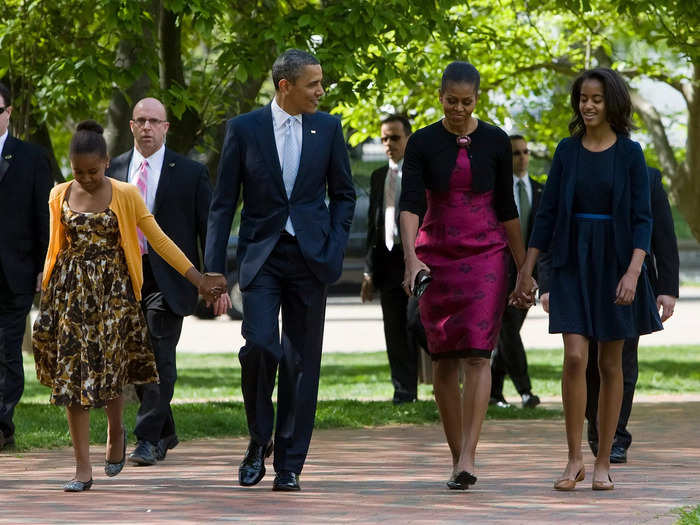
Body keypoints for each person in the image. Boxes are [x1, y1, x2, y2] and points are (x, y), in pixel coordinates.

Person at [32, 121, 225, 492]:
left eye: (93, 170)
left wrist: (198, 279)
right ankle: (81, 468)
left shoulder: (126, 194)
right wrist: (46, 285)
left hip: (114, 298)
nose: (86, 179)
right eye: (78, 171)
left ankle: (116, 431)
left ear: (107, 162)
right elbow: (55, 245)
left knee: (110, 376)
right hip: (71, 296)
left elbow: (160, 240)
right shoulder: (59, 194)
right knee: (74, 382)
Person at [205, 49, 355, 492]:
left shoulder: (327, 128)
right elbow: (223, 203)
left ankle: (289, 465)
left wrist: (334, 242)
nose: (321, 91)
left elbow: (344, 194)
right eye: (314, 84)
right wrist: (213, 269)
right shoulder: (244, 128)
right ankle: (258, 440)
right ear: (285, 86)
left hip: (311, 258)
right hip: (262, 258)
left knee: (301, 363)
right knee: (260, 347)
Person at [516, 68, 663, 491]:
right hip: (570, 261)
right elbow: (545, 216)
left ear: (612, 102)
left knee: (610, 362)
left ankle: (602, 460)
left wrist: (634, 272)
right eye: (583, 97)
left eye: (596, 97)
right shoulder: (566, 150)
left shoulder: (631, 154)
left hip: (616, 264)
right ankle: (573, 458)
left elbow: (643, 220)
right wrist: (527, 269)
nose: (588, 104)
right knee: (576, 357)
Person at [399, 61, 533, 490]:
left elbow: (507, 209)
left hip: (486, 253)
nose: (458, 109)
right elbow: (409, 205)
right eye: (451, 101)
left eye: (467, 102)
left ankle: (470, 455)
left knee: (478, 354)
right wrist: (410, 259)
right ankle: (457, 455)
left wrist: (523, 269)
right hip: (436, 252)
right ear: (440, 96)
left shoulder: (495, 141)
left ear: (478, 99)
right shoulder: (421, 142)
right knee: (443, 358)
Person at [106, 98, 211, 466]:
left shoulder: (190, 172)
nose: (147, 127)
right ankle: (166, 430)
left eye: (155, 121)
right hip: (124, 276)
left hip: (169, 276)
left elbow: (206, 229)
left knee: (158, 354)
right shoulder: (113, 169)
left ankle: (147, 438)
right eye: (141, 121)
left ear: (166, 127)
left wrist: (211, 276)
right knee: (135, 357)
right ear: (131, 126)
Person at [582, 166, 678, 463]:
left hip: (632, 280)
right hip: (586, 276)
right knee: (587, 361)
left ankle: (615, 435)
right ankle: (598, 429)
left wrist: (668, 288)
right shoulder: (579, 164)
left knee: (623, 358)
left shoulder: (647, 176)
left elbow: (663, 233)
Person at [0, 82, 53, 450]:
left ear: (8, 113)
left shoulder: (32, 158)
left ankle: (3, 423)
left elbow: (43, 217)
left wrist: (43, 266)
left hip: (14, 271)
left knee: (7, 350)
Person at [362, 115, 418, 404]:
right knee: (393, 328)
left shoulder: (421, 174)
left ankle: (434, 379)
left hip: (416, 258)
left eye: (395, 138)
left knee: (415, 323)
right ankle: (403, 390)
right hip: (386, 259)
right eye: (384, 138)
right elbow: (374, 225)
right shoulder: (377, 176)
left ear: (408, 138)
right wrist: (369, 271)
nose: (388, 144)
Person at [490, 135, 543, 409]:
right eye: (515, 153)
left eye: (525, 151)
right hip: (497, 272)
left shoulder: (540, 190)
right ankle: (525, 390)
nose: (521, 157)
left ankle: (494, 392)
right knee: (507, 329)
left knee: (506, 331)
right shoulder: (496, 192)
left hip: (528, 274)